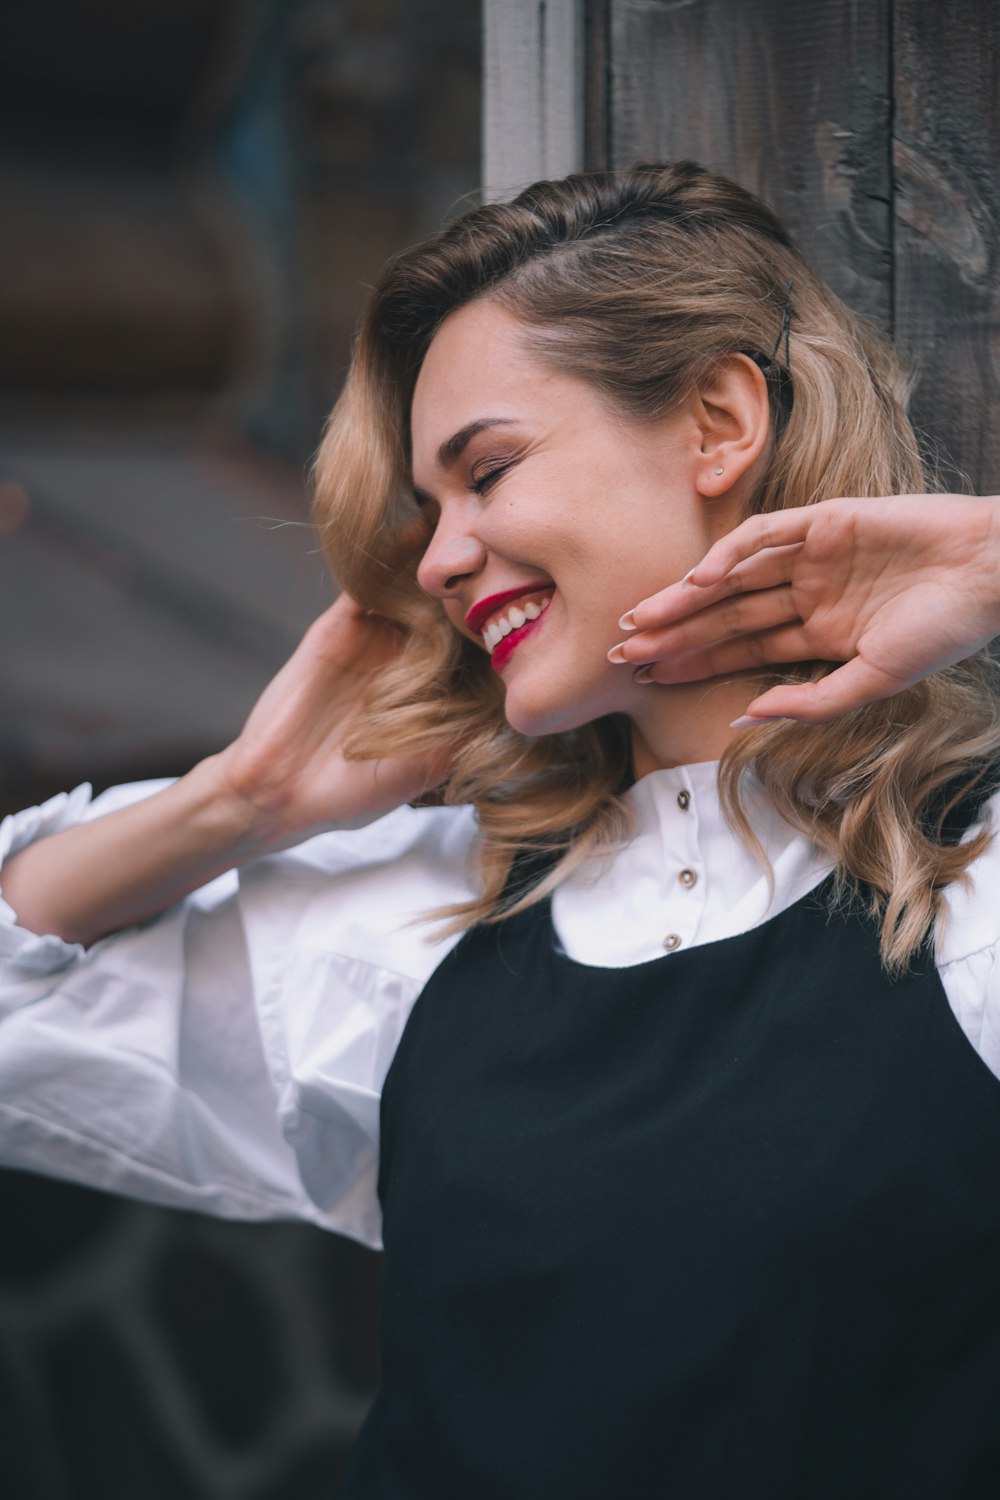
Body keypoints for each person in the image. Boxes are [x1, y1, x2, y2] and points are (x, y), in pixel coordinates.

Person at [2, 161, 1000, 1497]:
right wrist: (233, 802)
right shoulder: (423, 924)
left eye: (488, 471)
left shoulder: (975, 890)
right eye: (429, 507)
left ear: (717, 422)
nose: (438, 557)